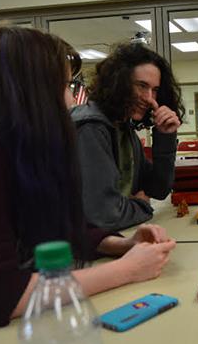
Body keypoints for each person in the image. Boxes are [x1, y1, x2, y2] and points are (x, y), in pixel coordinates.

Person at [0, 24, 176, 327]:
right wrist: (127, 270)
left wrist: (123, 245)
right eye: (66, 87)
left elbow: (60, 227)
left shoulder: (21, 145)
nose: (72, 102)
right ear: (34, 90)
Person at [71, 43, 185, 231]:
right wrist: (142, 205)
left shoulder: (123, 128)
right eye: (141, 86)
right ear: (118, 82)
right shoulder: (91, 127)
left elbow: (158, 189)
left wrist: (165, 136)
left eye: (154, 90)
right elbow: (105, 215)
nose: (149, 98)